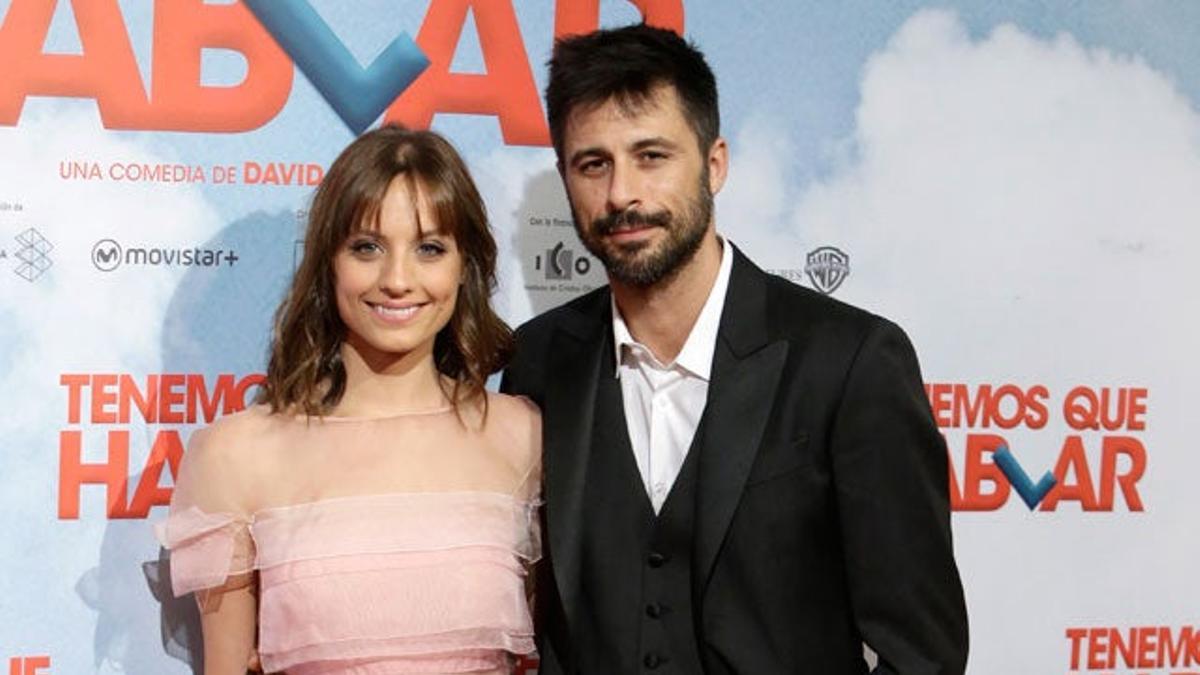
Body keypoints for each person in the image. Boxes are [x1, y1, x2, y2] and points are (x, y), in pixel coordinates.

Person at [501, 24, 969, 674]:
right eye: (593, 163)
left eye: (652, 156)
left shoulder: (851, 360)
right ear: (566, 177)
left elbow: (923, 654)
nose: (622, 194)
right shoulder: (539, 362)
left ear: (714, 163)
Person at [156, 126, 541, 675]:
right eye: (367, 247)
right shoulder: (234, 455)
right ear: (328, 263)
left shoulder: (521, 436)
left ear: (465, 267)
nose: (397, 279)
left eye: (430, 248)